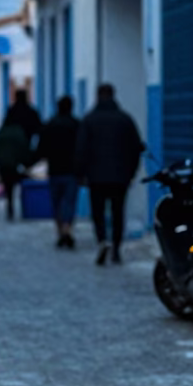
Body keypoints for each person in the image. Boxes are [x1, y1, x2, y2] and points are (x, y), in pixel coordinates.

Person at [76, 83, 145, 265]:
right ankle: (116, 248)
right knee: (118, 212)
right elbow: (136, 148)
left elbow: (81, 149)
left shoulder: (89, 120)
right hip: (120, 177)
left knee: (98, 212)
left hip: (96, 176)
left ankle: (101, 241)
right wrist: (131, 173)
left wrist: (81, 173)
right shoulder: (125, 120)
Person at [36, 95, 80, 249]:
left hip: (54, 169)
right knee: (69, 202)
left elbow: (41, 149)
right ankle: (68, 228)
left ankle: (60, 231)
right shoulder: (77, 125)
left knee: (56, 202)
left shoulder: (49, 125)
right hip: (72, 170)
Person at [0, 118, 31, 220]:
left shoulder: (0, 133)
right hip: (15, 164)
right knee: (14, 185)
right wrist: (26, 163)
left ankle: (10, 206)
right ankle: (15, 206)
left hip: (3, 164)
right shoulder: (19, 133)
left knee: (8, 186)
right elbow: (24, 148)